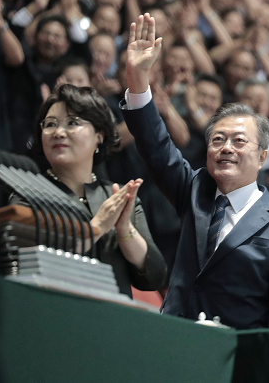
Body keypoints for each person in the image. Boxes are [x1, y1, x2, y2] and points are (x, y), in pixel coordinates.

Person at [120, 13, 269, 334]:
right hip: (174, 343)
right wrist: (139, 81)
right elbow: (157, 148)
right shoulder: (196, 190)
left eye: (239, 141)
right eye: (218, 140)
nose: (226, 148)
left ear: (262, 156)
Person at [11, 83, 168, 298]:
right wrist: (96, 227)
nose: (58, 132)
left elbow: (155, 276)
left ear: (100, 135)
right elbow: (29, 266)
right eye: (50, 124)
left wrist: (125, 231)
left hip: (112, 322)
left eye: (72, 123)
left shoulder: (118, 196)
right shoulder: (27, 193)